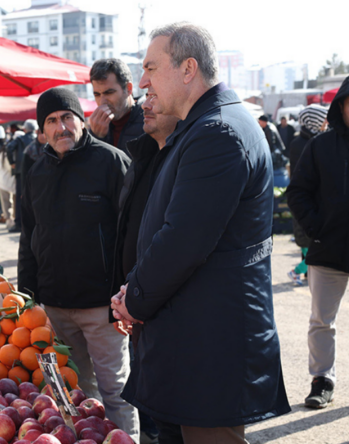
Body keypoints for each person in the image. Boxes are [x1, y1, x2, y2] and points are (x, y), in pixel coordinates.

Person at [111, 23, 290, 443]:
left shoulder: (218, 132)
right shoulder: (201, 127)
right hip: (190, 341)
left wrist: (133, 299)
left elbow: (182, 241)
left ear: (188, 68)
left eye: (151, 67)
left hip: (210, 349)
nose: (142, 82)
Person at [18, 87, 137, 442]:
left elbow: (133, 233)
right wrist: (28, 294)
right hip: (55, 306)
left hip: (104, 306)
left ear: (81, 120)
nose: (61, 127)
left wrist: (125, 291)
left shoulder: (111, 162)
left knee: (116, 391)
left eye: (67, 117)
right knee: (76, 393)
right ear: (42, 131)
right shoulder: (36, 171)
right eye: (51, 121)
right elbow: (29, 235)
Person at [111, 97, 181, 444]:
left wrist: (134, 295)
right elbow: (126, 230)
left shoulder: (183, 156)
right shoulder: (141, 154)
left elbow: (177, 243)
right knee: (157, 403)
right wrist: (124, 292)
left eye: (155, 100)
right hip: (138, 298)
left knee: (174, 414)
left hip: (161, 302)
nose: (146, 107)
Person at [287, 75, 349, 410]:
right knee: (322, 321)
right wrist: (317, 228)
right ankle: (321, 380)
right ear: (342, 106)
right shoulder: (321, 146)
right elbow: (297, 192)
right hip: (328, 249)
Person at [286, 104, 329, 286]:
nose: (326, 123)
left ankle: (304, 274)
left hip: (310, 200)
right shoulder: (307, 143)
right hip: (308, 201)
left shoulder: (304, 141)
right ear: (316, 121)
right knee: (315, 247)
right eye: (323, 120)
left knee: (309, 245)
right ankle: (298, 272)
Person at [89, 58, 145, 157]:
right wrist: (95, 138)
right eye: (97, 95)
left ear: (128, 89)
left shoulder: (149, 120)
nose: (102, 102)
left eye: (109, 93)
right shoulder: (96, 127)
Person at [5, 120, 36, 233]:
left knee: (20, 198)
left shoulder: (20, 139)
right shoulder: (37, 138)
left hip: (20, 172)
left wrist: (12, 162)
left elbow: (9, 147)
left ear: (25, 129)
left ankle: (19, 224)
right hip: (35, 172)